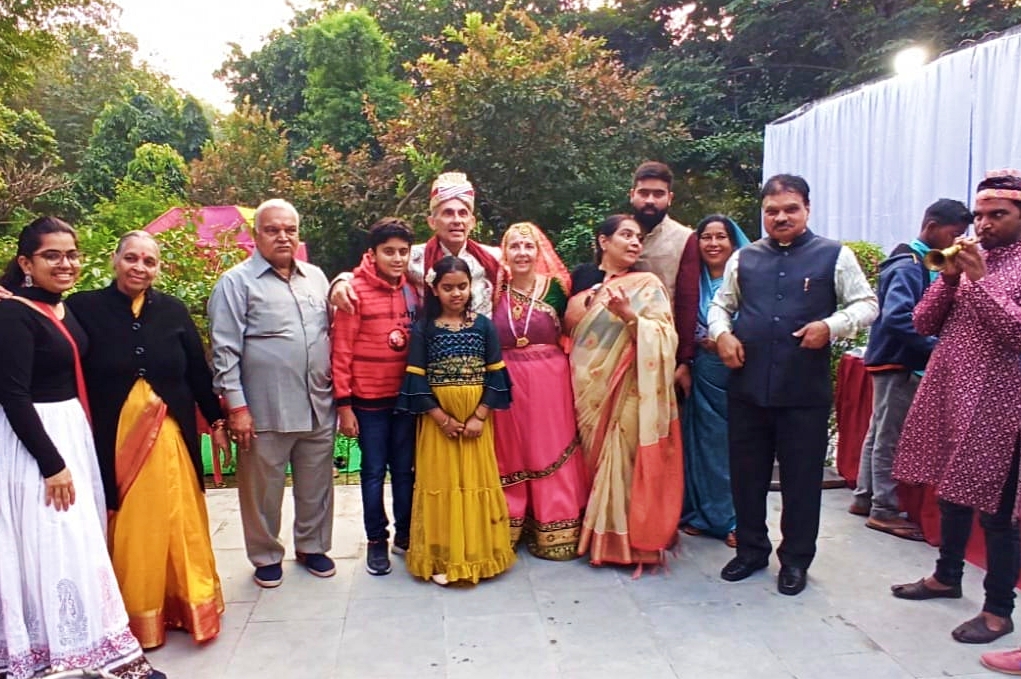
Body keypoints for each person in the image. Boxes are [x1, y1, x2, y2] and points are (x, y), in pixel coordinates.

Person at [0, 217, 163, 679]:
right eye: (52, 255)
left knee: (82, 541)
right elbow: (11, 394)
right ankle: (65, 652)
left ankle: (97, 646)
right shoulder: (13, 315)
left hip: (72, 431)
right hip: (38, 443)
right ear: (26, 263)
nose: (65, 263)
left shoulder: (62, 309)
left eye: (71, 253)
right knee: (57, 542)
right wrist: (52, 465)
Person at [708, 174, 878, 596]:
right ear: (762, 213)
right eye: (772, 211)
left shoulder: (833, 256)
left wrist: (831, 325)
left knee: (802, 480)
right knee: (746, 476)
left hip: (804, 390)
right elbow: (720, 304)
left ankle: (796, 560)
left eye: (790, 209)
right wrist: (722, 333)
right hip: (747, 387)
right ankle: (750, 550)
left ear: (807, 209)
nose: (780, 217)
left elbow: (867, 304)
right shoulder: (743, 258)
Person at [62, 230, 231, 649]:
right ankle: (134, 614)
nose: (140, 267)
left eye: (149, 261)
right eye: (132, 258)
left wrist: (217, 420)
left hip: (170, 431)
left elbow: (197, 372)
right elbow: (47, 331)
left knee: (179, 517)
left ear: (159, 268)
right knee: (134, 522)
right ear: (115, 260)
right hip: (113, 435)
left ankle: (188, 601)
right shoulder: (83, 308)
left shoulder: (172, 311)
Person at [888, 170, 1021, 651]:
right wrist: (947, 279)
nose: (984, 224)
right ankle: (947, 576)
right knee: (951, 491)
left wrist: (981, 281)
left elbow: (1015, 334)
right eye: (980, 214)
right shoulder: (968, 261)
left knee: (998, 511)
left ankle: (998, 610)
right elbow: (922, 321)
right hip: (950, 393)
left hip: (1002, 404)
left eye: (998, 215)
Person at [209, 198, 337, 588]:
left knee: (317, 485)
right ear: (255, 235)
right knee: (262, 489)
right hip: (265, 409)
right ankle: (265, 554)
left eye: (290, 229)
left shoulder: (316, 277)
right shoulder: (236, 282)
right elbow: (224, 350)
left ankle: (312, 547)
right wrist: (237, 409)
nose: (283, 236)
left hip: (317, 403)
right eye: (272, 229)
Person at [849, 199, 971, 541]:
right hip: (898, 360)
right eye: (953, 234)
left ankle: (864, 497)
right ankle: (883, 509)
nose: (955, 242)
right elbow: (899, 317)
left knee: (878, 431)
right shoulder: (908, 265)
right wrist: (936, 348)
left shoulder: (912, 261)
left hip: (894, 359)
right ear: (931, 227)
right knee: (889, 436)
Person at [565, 214, 683, 570]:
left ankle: (631, 543)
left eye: (639, 237)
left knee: (625, 460)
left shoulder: (648, 284)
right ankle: (594, 532)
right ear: (604, 241)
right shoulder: (583, 285)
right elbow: (569, 333)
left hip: (630, 387)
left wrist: (631, 316)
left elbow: (666, 336)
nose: (635, 243)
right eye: (626, 235)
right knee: (593, 460)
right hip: (587, 388)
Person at [395, 256, 515, 585]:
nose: (456, 293)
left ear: (471, 286)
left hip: (476, 420)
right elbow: (416, 379)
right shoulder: (424, 328)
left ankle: (479, 554)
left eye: (462, 286)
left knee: (474, 482)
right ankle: (442, 555)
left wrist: (479, 416)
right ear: (434, 289)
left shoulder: (483, 326)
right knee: (441, 483)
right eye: (448, 288)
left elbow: (497, 375)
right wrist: (441, 417)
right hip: (438, 423)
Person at [491, 222, 589, 559]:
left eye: (528, 246)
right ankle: (510, 523)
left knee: (551, 447)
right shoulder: (491, 290)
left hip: (550, 380)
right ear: (504, 252)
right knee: (510, 450)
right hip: (506, 379)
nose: (521, 253)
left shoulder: (557, 290)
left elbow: (581, 327)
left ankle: (556, 523)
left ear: (539, 251)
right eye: (514, 246)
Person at [331, 218, 418, 577]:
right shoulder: (354, 291)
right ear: (373, 253)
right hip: (368, 401)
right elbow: (341, 351)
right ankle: (376, 540)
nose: (396, 258)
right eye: (389, 251)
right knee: (371, 472)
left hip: (406, 399)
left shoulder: (414, 288)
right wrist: (344, 406)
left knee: (405, 471)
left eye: (403, 251)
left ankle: (405, 534)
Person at [331, 171, 502, 317]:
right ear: (432, 222)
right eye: (448, 213)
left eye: (462, 213)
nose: (457, 220)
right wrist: (341, 282)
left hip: (483, 349)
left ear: (472, 222)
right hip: (432, 347)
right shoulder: (412, 257)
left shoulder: (493, 257)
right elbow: (370, 267)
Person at [680, 215, 751, 547]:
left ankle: (737, 519)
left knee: (733, 445)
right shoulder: (691, 280)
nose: (712, 244)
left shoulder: (747, 279)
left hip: (738, 370)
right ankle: (705, 515)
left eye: (720, 237)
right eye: (706, 237)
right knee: (701, 444)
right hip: (702, 369)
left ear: (733, 243)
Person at [628, 161, 700, 397]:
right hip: (616, 343)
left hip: (662, 345)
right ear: (632, 195)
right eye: (644, 193)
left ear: (669, 198)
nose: (650, 200)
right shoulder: (616, 233)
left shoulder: (684, 238)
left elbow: (688, 301)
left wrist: (684, 360)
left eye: (658, 194)